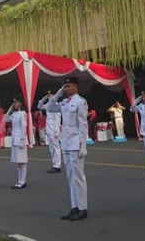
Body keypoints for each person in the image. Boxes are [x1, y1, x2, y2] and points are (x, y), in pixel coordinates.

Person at [46, 76, 88, 221]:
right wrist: (58, 93)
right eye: (65, 86)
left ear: (76, 87)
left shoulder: (80, 102)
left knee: (79, 177)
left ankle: (83, 209)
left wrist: (83, 144)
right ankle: (74, 207)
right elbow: (49, 107)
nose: (66, 88)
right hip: (66, 144)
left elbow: (83, 124)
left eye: (68, 86)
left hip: (76, 144)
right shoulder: (64, 102)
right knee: (71, 178)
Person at [6, 98, 29, 189]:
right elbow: (6, 118)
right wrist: (10, 109)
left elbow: (24, 127)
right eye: (14, 102)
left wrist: (22, 139)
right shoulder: (14, 114)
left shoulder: (23, 114)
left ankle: (22, 181)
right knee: (18, 161)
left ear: (20, 103)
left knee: (22, 161)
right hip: (14, 138)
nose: (14, 104)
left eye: (16, 102)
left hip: (20, 138)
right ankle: (19, 180)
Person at [38, 91, 62, 173]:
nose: (49, 97)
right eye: (48, 96)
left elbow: (58, 119)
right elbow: (39, 105)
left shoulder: (56, 105)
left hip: (54, 130)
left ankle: (57, 166)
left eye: (51, 95)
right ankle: (54, 164)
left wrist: (56, 131)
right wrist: (45, 97)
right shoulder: (48, 105)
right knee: (51, 148)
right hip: (49, 130)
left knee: (56, 148)